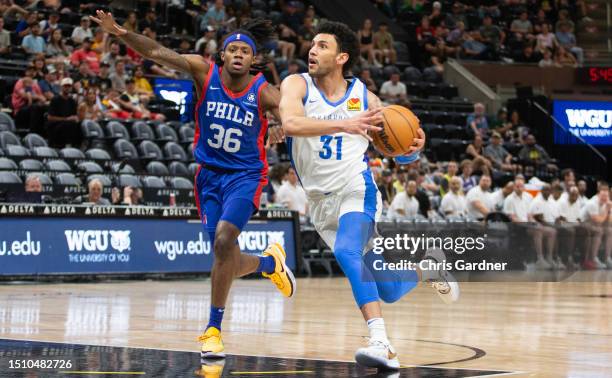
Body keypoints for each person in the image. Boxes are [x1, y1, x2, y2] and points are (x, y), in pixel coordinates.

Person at [92, 11, 292, 358]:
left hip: (245, 176)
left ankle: (213, 329)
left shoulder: (265, 92)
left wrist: (282, 125)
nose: (240, 54)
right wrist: (123, 32)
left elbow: (294, 114)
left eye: (246, 50)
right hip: (209, 176)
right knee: (223, 253)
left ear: (253, 59)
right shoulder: (204, 71)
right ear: (223, 55)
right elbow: (157, 53)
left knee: (225, 238)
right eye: (234, 49)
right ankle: (269, 264)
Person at [279, 20, 458, 370]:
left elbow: (396, 147)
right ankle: (429, 268)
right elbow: (291, 125)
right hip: (319, 203)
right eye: (312, 44)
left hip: (355, 190)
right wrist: (345, 123)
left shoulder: (366, 98)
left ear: (342, 56)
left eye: (322, 46)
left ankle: (382, 343)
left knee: (347, 251)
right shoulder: (297, 85)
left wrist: (414, 148)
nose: (312, 50)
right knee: (389, 290)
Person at [528, 184, 562, 269]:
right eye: (545, 190)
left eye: (549, 190)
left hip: (549, 226)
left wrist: (558, 224)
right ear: (541, 191)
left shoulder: (552, 202)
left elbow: (557, 217)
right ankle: (540, 259)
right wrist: (552, 226)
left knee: (555, 231)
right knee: (542, 230)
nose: (547, 192)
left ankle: (550, 258)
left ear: (551, 192)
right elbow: (539, 219)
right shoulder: (536, 201)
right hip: (534, 226)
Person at [580, 183, 612, 269]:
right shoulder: (592, 203)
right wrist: (607, 210)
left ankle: (607, 258)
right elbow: (598, 220)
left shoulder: (607, 203)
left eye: (606, 196)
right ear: (598, 194)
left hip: (594, 225)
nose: (605, 198)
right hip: (582, 224)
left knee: (609, 230)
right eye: (603, 196)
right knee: (599, 231)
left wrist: (608, 211)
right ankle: (594, 258)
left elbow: (609, 221)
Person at [46, 77, 80, 147]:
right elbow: (50, 117)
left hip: (68, 124)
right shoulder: (55, 99)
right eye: (65, 86)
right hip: (55, 125)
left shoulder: (72, 101)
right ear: (61, 87)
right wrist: (66, 119)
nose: (67, 88)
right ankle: (67, 145)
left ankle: (77, 146)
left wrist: (76, 118)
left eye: (69, 86)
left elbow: (74, 115)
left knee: (78, 125)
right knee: (68, 125)